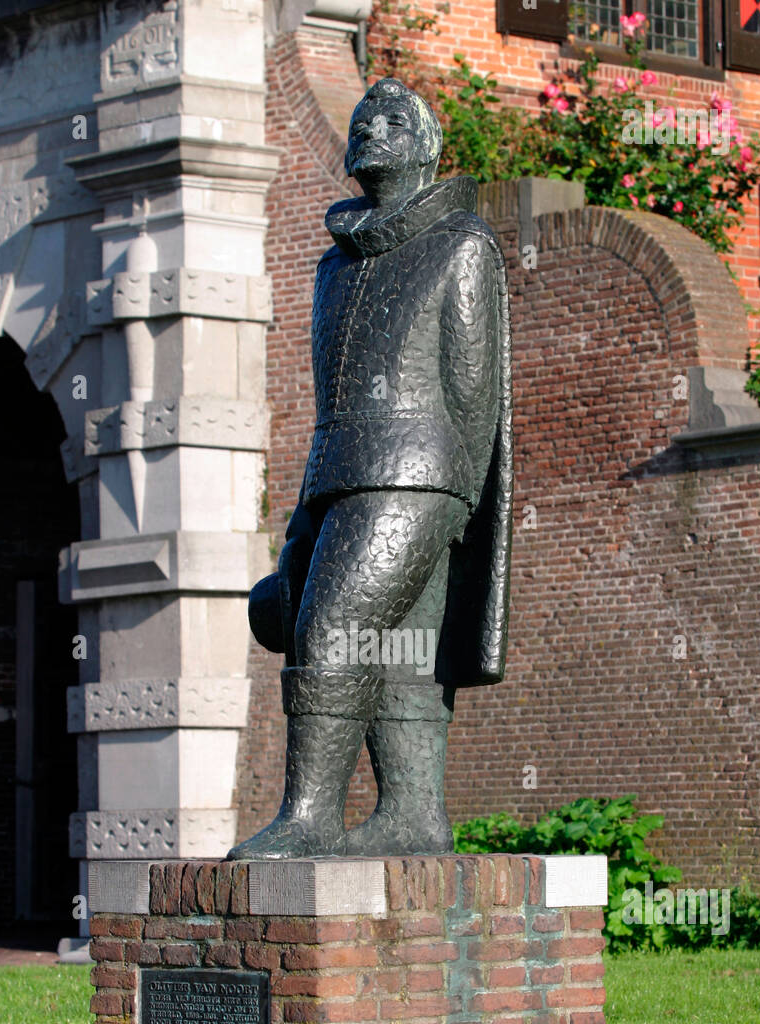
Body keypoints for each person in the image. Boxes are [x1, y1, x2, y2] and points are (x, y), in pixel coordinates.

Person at [229, 77, 513, 860]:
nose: (371, 132)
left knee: (336, 629)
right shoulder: (333, 267)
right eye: (361, 122)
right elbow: (328, 401)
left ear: (426, 146)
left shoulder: (461, 244)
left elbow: (471, 383)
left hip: (421, 473)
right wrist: (303, 512)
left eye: (392, 120)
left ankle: (311, 816)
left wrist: (456, 496)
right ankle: (413, 815)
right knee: (403, 656)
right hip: (337, 472)